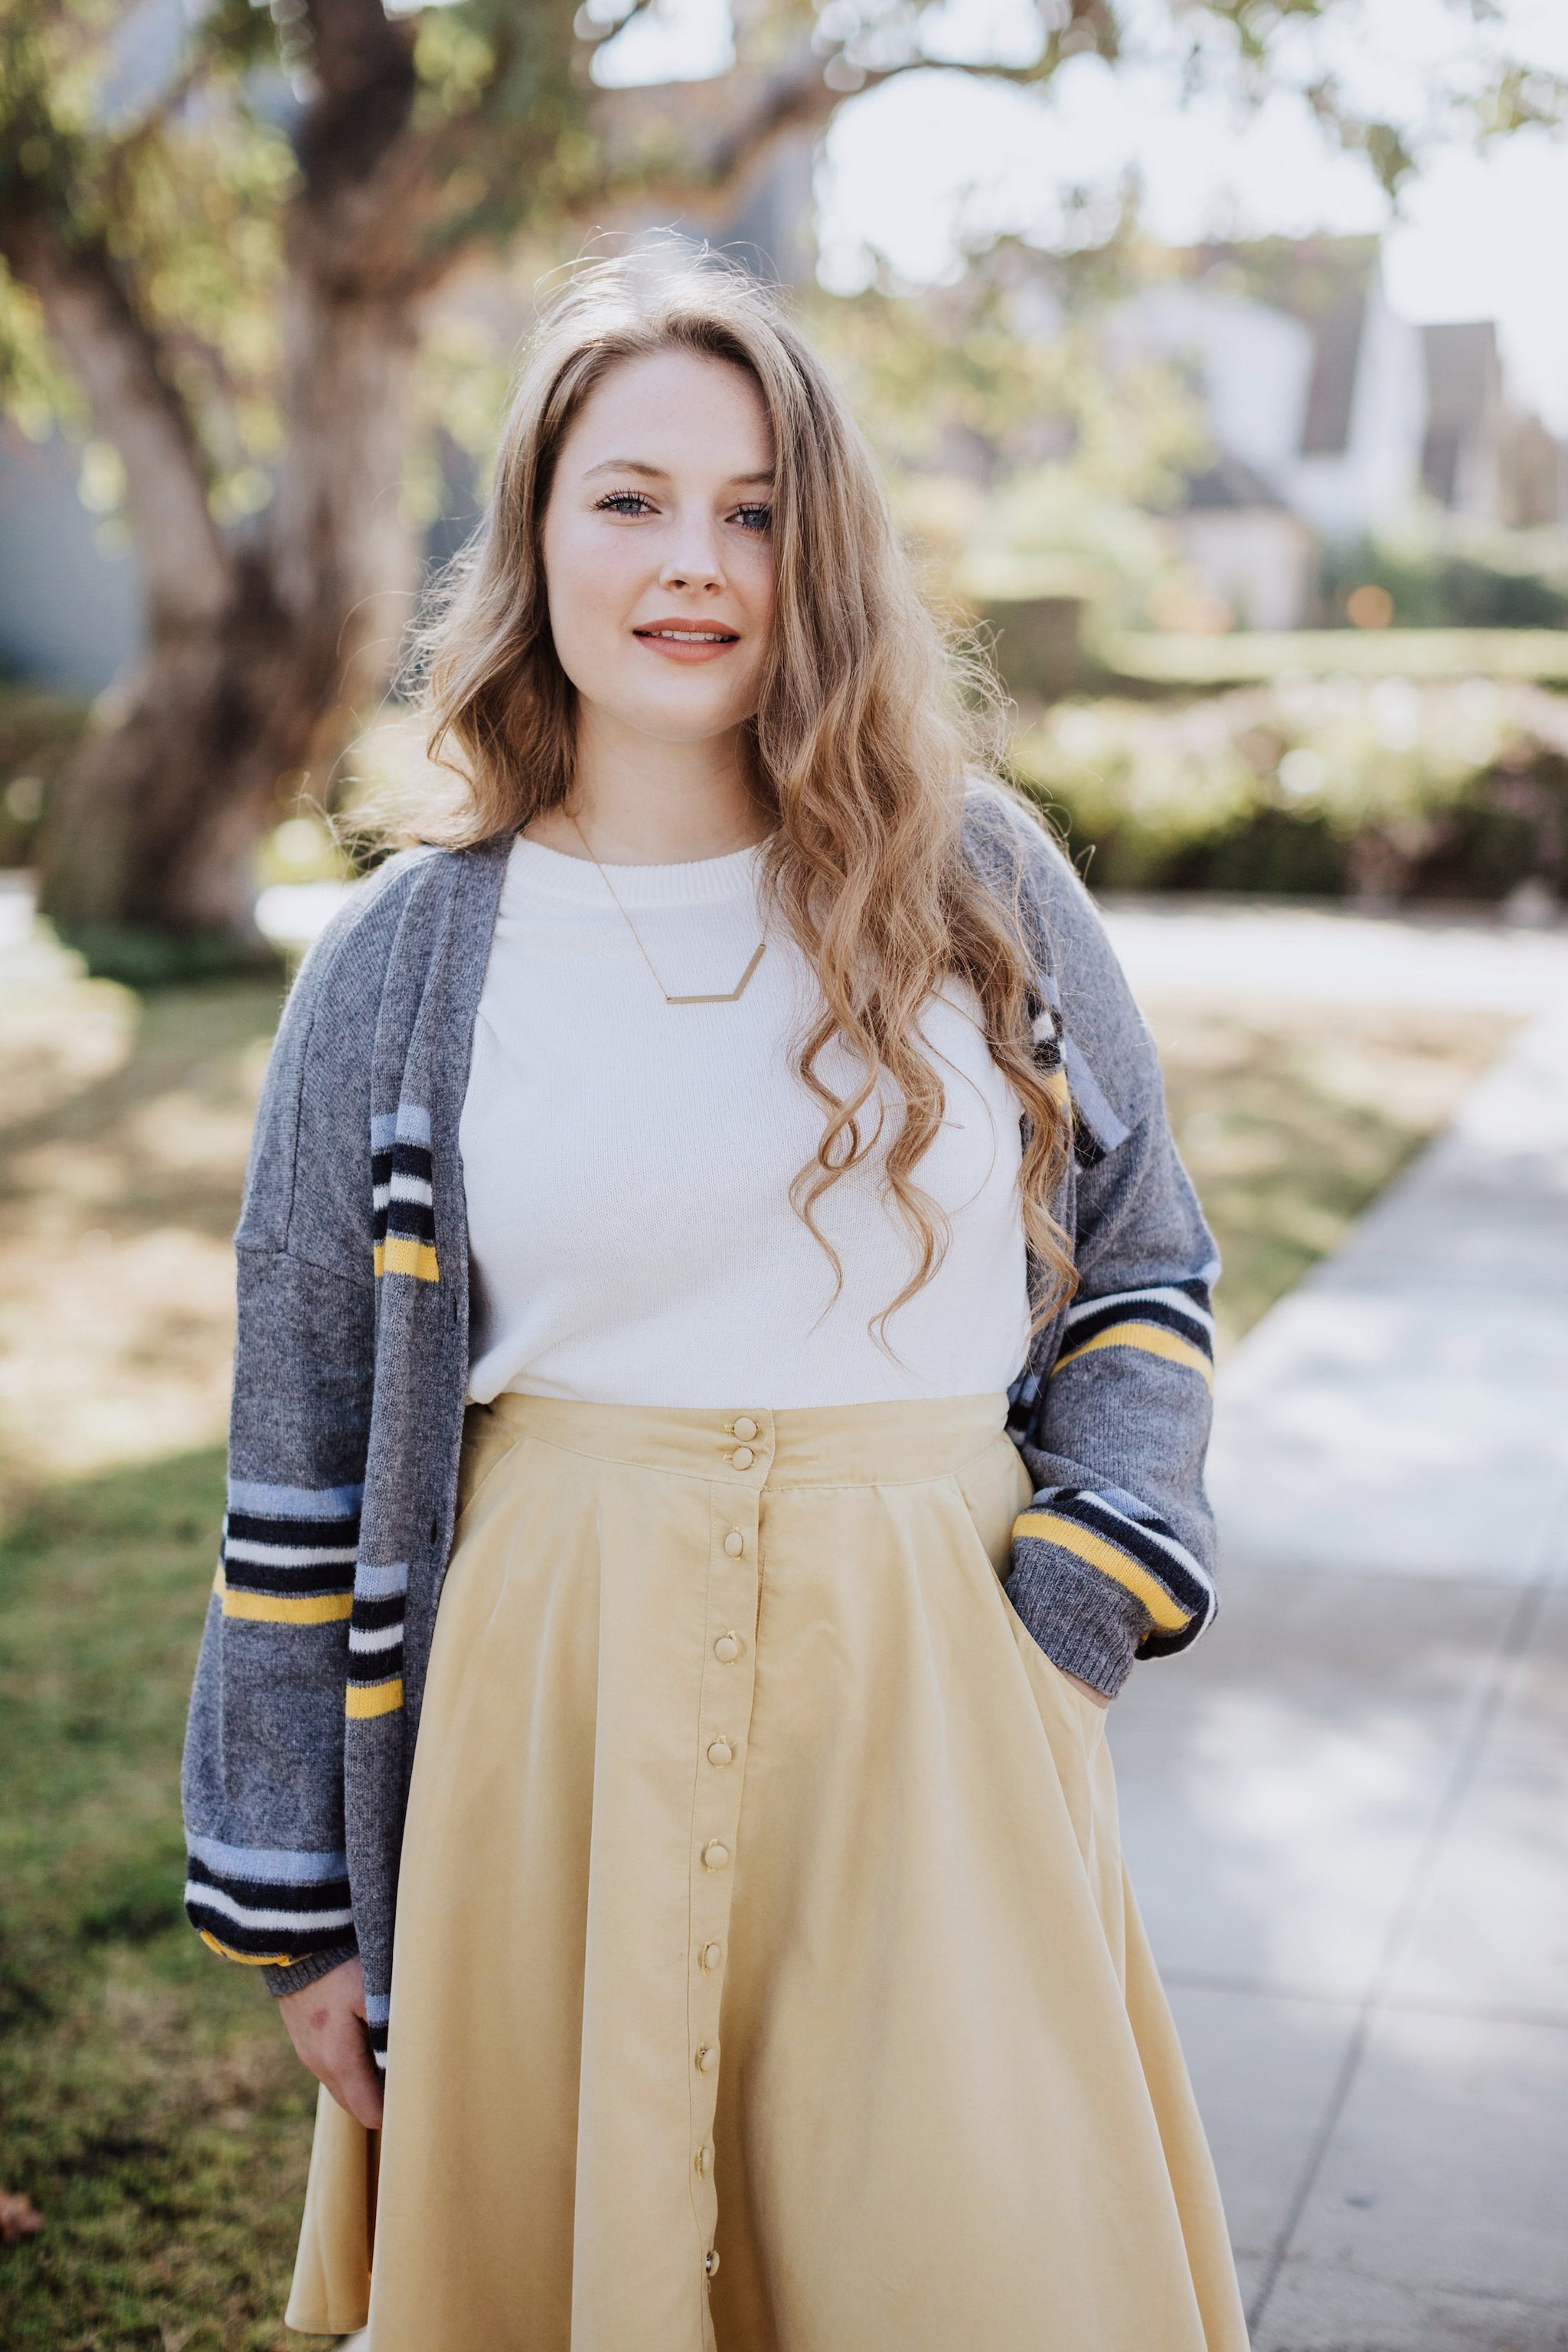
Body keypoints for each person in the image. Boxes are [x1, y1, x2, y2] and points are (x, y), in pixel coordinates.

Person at [181, 254, 1248, 2352]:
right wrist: (298, 1894)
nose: (695, 562)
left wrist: (1076, 1605)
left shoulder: (979, 885)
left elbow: (1148, 1263)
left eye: (756, 510)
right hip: (542, 1723)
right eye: (633, 499)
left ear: (821, 550)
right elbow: (298, 1442)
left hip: (940, 1698)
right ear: (535, 538)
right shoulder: (396, 969)